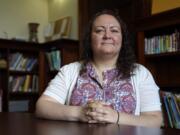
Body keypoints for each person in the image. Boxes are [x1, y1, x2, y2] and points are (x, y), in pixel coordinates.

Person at [36, 9, 162, 127]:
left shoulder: (141, 73)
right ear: (90, 39)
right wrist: (79, 113)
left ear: (122, 39)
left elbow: (155, 120)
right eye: (99, 30)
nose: (107, 35)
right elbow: (42, 106)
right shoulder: (69, 71)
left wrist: (116, 117)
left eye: (114, 30)